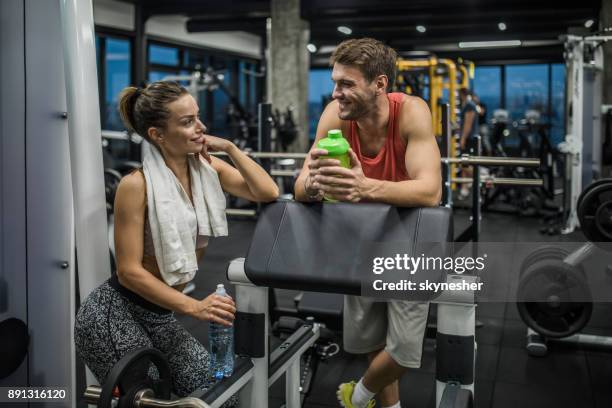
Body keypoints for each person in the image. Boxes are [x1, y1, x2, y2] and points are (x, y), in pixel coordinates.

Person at [75, 81, 278, 400]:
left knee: (215, 397)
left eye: (198, 117)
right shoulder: (135, 185)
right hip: (114, 314)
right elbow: (129, 271)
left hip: (160, 316)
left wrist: (232, 149)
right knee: (156, 398)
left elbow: (267, 192)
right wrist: (195, 307)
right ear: (157, 134)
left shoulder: (208, 167)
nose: (201, 127)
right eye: (187, 122)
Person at [294, 38, 441, 408]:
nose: (335, 93)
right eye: (334, 82)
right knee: (370, 340)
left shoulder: (411, 112)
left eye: (346, 84)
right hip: (358, 239)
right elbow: (300, 187)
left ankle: (357, 397)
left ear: (379, 84)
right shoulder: (335, 117)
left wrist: (363, 187)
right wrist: (315, 184)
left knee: (405, 350)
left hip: (409, 238)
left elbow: (430, 191)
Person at [458, 87, 479, 198]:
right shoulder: (467, 104)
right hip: (468, 138)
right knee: (464, 163)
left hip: (470, 139)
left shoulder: (470, 105)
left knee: (464, 164)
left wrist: (463, 139)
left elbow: (468, 124)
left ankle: (480, 179)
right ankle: (464, 188)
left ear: (463, 94)